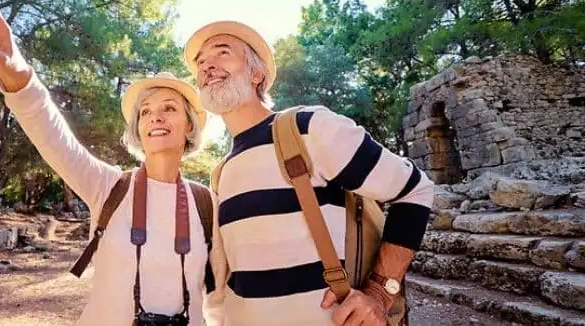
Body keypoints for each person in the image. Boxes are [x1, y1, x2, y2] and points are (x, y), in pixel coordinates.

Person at [0, 0, 215, 325]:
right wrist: (16, 69)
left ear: (189, 126)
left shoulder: (208, 204)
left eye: (170, 108)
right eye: (145, 111)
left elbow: (221, 299)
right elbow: (50, 132)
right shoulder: (109, 186)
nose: (155, 117)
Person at [184, 21, 435, 325]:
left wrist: (381, 292)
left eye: (222, 53)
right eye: (200, 62)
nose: (207, 66)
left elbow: (415, 189)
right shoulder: (221, 173)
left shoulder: (308, 127)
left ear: (256, 74)